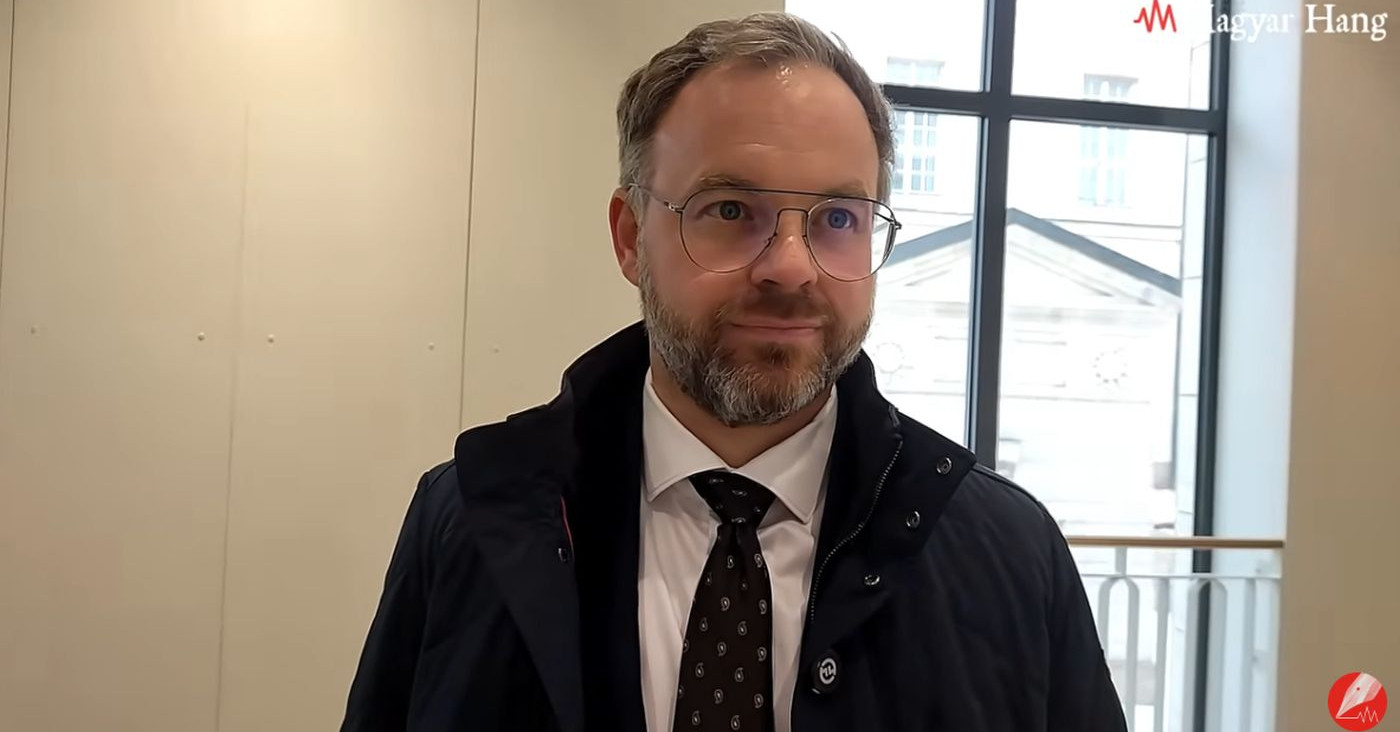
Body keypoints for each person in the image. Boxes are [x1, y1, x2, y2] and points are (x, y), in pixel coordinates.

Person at [340, 11, 1128, 732]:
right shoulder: (473, 521)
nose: (791, 267)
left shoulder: (1008, 554)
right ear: (630, 236)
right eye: (729, 210)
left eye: (839, 218)